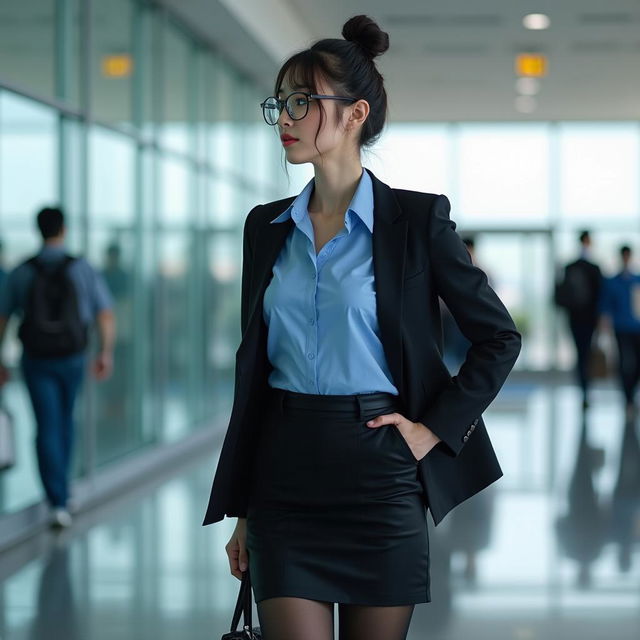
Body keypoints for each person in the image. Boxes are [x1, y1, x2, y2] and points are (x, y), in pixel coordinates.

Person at [202, 15, 521, 640]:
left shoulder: (416, 220)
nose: (286, 118)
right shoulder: (265, 227)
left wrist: (433, 430)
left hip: (382, 476)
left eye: (303, 101)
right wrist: (244, 512)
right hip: (284, 475)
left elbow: (499, 337)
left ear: (355, 114)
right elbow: (256, 377)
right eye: (281, 104)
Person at [0, 207, 116, 528]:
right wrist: (105, 352)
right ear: (63, 230)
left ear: (39, 230)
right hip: (72, 356)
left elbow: (4, 318)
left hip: (36, 359)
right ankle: (62, 493)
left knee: (46, 425)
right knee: (65, 420)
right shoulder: (82, 269)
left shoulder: (21, 272)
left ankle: (57, 500)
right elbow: (104, 314)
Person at [554, 230, 602, 409]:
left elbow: (561, 296)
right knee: (585, 354)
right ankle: (585, 390)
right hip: (589, 319)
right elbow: (599, 296)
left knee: (581, 354)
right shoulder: (594, 268)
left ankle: (584, 390)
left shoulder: (570, 266)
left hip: (575, 318)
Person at [599, 245, 640, 419]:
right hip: (621, 328)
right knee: (624, 362)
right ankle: (628, 399)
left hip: (637, 328)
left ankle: (632, 395)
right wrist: (604, 324)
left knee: (637, 363)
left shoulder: (637, 280)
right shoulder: (612, 282)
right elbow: (605, 307)